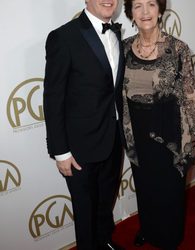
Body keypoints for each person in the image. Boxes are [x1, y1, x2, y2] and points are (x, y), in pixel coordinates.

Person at [122, 0, 195, 249]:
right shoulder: (125, 48)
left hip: (170, 135)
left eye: (151, 4)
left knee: (170, 194)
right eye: (138, 6)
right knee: (145, 188)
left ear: (160, 10)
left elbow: (191, 97)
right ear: (130, 13)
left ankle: (169, 238)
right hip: (137, 135)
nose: (145, 12)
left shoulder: (177, 49)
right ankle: (148, 229)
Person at [43, 0, 125, 249]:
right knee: (85, 210)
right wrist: (61, 151)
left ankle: (105, 241)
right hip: (79, 149)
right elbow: (53, 97)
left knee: (104, 204)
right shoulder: (63, 37)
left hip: (112, 139)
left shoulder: (117, 34)